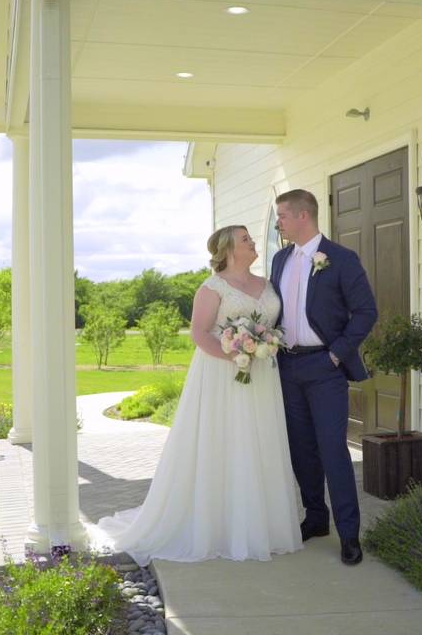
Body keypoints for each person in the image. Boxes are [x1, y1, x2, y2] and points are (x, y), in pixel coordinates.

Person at [95, 225, 302, 565]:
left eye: (251, 238)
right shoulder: (212, 287)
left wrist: (262, 347)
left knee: (259, 441)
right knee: (225, 442)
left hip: (263, 376)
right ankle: (219, 527)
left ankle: (261, 526)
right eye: (246, 239)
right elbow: (199, 334)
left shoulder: (267, 284)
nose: (252, 243)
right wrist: (237, 355)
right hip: (223, 375)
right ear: (229, 250)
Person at [270, 189, 378, 566]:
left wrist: (337, 353)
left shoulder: (342, 259)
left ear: (303, 216)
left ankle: (350, 535)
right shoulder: (279, 259)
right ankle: (316, 519)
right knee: (301, 449)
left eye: (282, 215)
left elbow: (366, 312)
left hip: (324, 367)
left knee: (333, 451)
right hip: (287, 366)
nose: (278, 222)